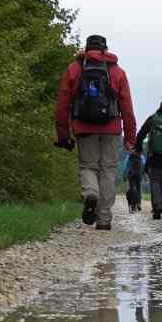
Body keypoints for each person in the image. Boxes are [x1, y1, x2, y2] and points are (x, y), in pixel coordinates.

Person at [53, 34, 137, 230]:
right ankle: (104, 219)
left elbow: (62, 105)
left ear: (86, 48)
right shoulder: (117, 72)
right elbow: (127, 108)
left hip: (83, 128)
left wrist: (63, 135)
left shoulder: (74, 69)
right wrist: (130, 138)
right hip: (112, 129)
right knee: (108, 170)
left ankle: (91, 193)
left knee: (88, 167)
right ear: (105, 49)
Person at [118, 144, 144, 213]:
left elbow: (126, 166)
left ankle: (133, 206)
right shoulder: (141, 156)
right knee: (138, 189)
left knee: (132, 189)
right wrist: (144, 174)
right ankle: (139, 203)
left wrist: (124, 175)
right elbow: (144, 164)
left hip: (131, 175)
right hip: (139, 175)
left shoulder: (129, 156)